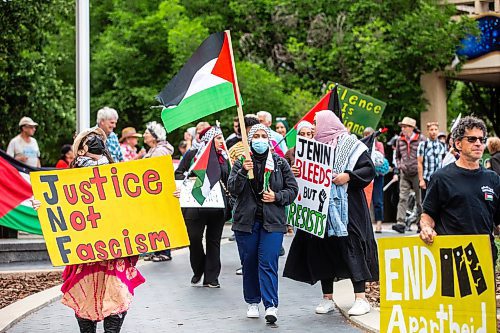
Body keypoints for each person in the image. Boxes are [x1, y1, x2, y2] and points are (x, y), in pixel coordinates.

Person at [32, 128, 145, 333]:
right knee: (85, 294)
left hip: (114, 247)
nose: (96, 142)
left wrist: (169, 195)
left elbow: (140, 198)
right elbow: (60, 206)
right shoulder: (70, 179)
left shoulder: (118, 174)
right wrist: (42, 206)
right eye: (89, 140)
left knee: (117, 291)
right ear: (81, 150)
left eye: (99, 140)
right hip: (86, 251)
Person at [284, 110, 378, 317]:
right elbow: (300, 176)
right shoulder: (312, 148)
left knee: (352, 248)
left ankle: (360, 298)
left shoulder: (352, 146)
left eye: (317, 123)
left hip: (349, 209)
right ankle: (327, 298)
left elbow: (368, 170)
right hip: (321, 209)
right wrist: (296, 171)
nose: (314, 127)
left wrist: (348, 176)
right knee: (323, 250)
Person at [228, 124, 298, 323]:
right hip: (246, 223)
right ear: (250, 140)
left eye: (263, 136)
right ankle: (252, 302)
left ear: (268, 139)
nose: (260, 140)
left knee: (268, 262)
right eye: (256, 136)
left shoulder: (279, 162)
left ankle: (271, 305)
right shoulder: (242, 161)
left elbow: (292, 190)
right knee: (249, 262)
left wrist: (277, 196)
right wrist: (243, 171)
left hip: (272, 222)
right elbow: (233, 189)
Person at [420, 116, 500, 267]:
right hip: (450, 257)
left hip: (485, 256)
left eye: (481, 140)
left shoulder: (493, 179)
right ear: (458, 144)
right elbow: (428, 214)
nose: (478, 143)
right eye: (471, 139)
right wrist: (426, 228)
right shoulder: (441, 178)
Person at [175, 126, 230, 288]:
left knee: (214, 241)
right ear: (209, 140)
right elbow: (178, 173)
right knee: (194, 238)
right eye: (218, 138)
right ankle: (199, 269)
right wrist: (190, 179)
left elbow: (229, 180)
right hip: (194, 205)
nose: (222, 142)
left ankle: (212, 277)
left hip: (217, 206)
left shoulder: (223, 158)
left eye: (222, 138)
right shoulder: (192, 154)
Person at [142, 121, 174, 262]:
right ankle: (156, 251)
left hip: (159, 192)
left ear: (154, 136)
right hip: (154, 192)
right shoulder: (154, 150)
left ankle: (164, 252)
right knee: (155, 221)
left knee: (161, 222)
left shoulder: (159, 152)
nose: (144, 135)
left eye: (147, 133)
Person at [392, 117, 426, 234]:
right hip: (405, 172)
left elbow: (424, 156)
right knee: (402, 198)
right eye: (402, 126)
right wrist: (399, 165)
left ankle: (420, 224)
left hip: (417, 172)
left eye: (405, 126)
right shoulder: (399, 140)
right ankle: (400, 223)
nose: (403, 129)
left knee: (419, 200)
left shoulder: (421, 139)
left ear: (411, 128)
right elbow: (397, 156)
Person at [363, 127, 386, 233]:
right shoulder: (361, 145)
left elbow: (382, 159)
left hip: (377, 175)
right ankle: (367, 223)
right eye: (365, 134)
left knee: (378, 200)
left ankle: (379, 223)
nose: (367, 136)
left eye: (370, 134)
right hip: (366, 175)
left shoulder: (379, 145)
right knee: (366, 200)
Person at [417, 122, 447, 200]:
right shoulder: (423, 145)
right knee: (426, 203)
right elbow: (419, 162)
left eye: (435, 129)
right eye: (431, 129)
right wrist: (421, 180)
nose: (434, 132)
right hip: (427, 178)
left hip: (439, 179)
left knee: (440, 203)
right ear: (428, 131)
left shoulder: (442, 145)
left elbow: (445, 162)